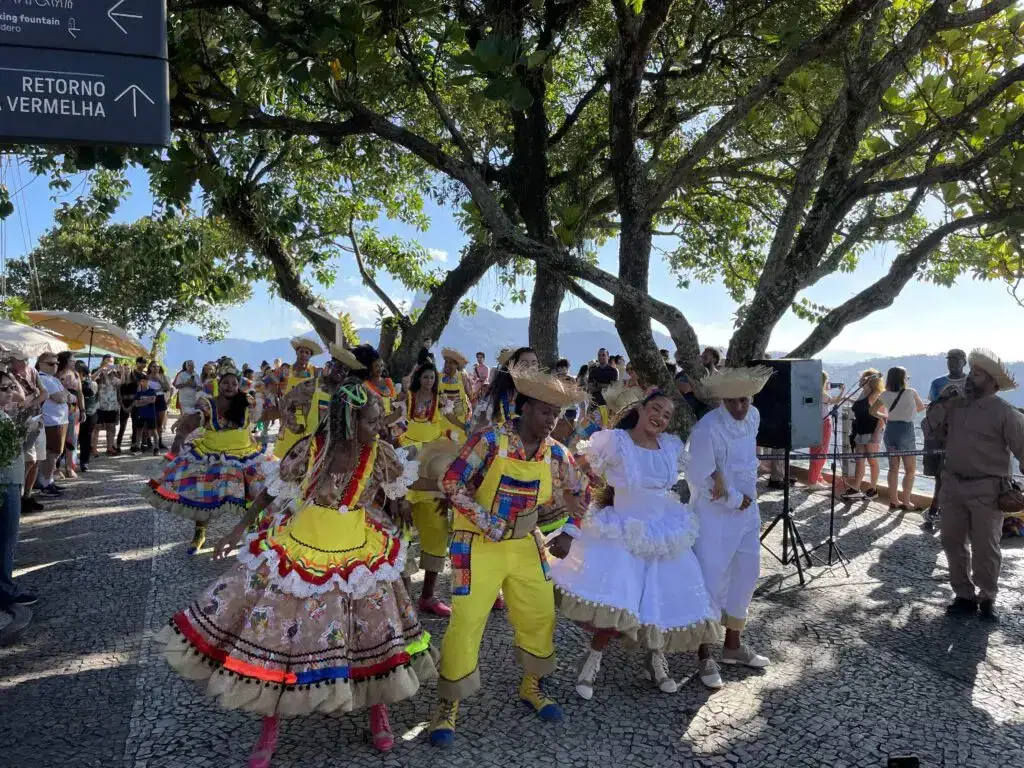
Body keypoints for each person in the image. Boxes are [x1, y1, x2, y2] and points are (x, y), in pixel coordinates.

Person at [155, 374, 435, 764]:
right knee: (282, 636)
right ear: (349, 421)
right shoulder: (312, 448)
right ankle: (270, 726)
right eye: (372, 421)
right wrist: (238, 527)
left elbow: (398, 494)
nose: (379, 427)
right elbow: (273, 490)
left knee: (371, 629)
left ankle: (377, 709)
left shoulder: (381, 454)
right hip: (301, 545)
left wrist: (415, 503)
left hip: (360, 548)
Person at [428, 365, 586, 747]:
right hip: (474, 544)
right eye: (545, 411)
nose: (552, 420)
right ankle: (447, 704)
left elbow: (581, 492)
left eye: (558, 414)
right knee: (466, 621)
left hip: (525, 544)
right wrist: (488, 522)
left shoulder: (558, 454)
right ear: (523, 408)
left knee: (540, 612)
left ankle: (532, 685)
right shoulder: (490, 440)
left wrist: (569, 532)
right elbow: (451, 481)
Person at [548, 389, 719, 700]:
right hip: (622, 529)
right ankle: (592, 661)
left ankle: (655, 659)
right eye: (656, 409)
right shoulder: (616, 441)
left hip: (666, 529)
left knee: (662, 595)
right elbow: (579, 470)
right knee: (618, 596)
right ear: (641, 408)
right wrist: (575, 502)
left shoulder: (670, 446)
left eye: (667, 415)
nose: (660, 418)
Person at [687, 365, 775, 690]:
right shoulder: (706, 429)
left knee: (747, 573)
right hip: (714, 516)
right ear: (722, 399)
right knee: (710, 577)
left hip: (748, 513)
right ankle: (704, 651)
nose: (740, 407)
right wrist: (733, 498)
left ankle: (733, 644)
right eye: (733, 401)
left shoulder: (753, 417)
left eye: (744, 400)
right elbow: (698, 474)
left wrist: (747, 497)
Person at [923, 349, 1024, 624]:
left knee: (986, 547)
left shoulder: (1006, 412)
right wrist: (941, 402)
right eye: (971, 372)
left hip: (989, 490)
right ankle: (963, 595)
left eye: (977, 374)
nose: (970, 378)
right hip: (953, 485)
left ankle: (988, 596)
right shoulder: (955, 406)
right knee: (951, 541)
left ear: (992, 382)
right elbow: (929, 428)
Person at [144, 360, 266, 556]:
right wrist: (179, 440)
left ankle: (253, 533)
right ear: (219, 383)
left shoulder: (246, 401)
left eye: (234, 383)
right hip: (213, 455)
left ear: (238, 385)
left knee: (253, 494)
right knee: (204, 495)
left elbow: (263, 415)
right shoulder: (208, 403)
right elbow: (192, 422)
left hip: (245, 455)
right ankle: (200, 532)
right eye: (226, 383)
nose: (230, 387)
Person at [398, 362, 466, 617]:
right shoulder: (406, 398)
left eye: (431, 377)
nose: (428, 381)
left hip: (433, 464)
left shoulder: (440, 401)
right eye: (425, 377)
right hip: (407, 461)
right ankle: (401, 601)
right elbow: (395, 423)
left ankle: (428, 596)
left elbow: (450, 423)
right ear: (418, 379)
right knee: (399, 532)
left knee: (437, 532)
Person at [0, 368, 36, 608]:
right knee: (6, 539)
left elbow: (19, 450)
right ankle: (5, 591)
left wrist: (30, 430)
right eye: (4, 389)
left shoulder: (4, 414)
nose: (10, 393)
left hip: (11, 480)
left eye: (11, 388)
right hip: (5, 482)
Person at [923, 349, 968, 528]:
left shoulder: (971, 382)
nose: (952, 363)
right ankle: (936, 509)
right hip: (940, 435)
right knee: (939, 474)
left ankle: (953, 511)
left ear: (964, 362)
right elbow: (931, 408)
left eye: (956, 360)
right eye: (950, 360)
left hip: (965, 435)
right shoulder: (937, 383)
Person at [880, 367, 926, 511]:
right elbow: (921, 407)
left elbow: (872, 410)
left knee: (893, 467)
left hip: (890, 430)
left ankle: (894, 500)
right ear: (903, 378)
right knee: (910, 469)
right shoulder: (910, 392)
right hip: (906, 430)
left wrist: (885, 417)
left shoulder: (884, 394)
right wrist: (908, 413)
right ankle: (906, 502)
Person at [8, 352, 46, 514]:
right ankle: (16, 496)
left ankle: (26, 496)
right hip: (18, 423)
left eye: (26, 359)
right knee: (27, 460)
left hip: (35, 419)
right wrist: (33, 396)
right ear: (12, 360)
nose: (24, 363)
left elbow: (44, 393)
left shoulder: (33, 371)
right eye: (20, 360)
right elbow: (21, 402)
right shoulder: (9, 374)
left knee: (36, 459)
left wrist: (33, 399)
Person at [273, 335, 323, 459]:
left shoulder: (316, 372)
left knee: (306, 452)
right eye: (301, 351)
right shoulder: (285, 371)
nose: (304, 355)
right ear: (296, 352)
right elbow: (271, 387)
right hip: (289, 418)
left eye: (307, 352)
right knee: (284, 452)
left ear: (310, 356)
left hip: (309, 417)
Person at [841, 369, 887, 501]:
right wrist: (848, 399)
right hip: (860, 431)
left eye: (864, 378)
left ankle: (873, 489)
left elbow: (882, 417)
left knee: (872, 461)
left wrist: (876, 435)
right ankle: (856, 488)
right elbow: (860, 406)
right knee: (859, 461)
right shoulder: (863, 393)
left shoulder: (876, 394)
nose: (861, 380)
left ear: (871, 381)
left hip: (871, 432)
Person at [471, 346, 540, 432]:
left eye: (534, 363)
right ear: (513, 367)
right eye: (524, 364)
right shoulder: (499, 392)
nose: (530, 368)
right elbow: (480, 426)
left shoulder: (541, 395)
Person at [35, 352, 69, 497]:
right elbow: (61, 398)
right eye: (51, 363)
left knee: (55, 453)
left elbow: (67, 395)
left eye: (56, 363)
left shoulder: (53, 379)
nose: (55, 366)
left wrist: (65, 395)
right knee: (52, 453)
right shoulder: (45, 379)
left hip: (60, 420)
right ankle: (45, 483)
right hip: (52, 421)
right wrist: (65, 395)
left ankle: (47, 481)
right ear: (41, 364)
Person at [807, 372, 844, 487]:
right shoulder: (823, 395)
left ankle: (817, 477)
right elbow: (835, 401)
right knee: (821, 452)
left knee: (814, 451)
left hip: (812, 424)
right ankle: (813, 482)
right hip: (823, 424)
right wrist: (842, 391)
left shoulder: (809, 393)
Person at [56, 351, 83, 479]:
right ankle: (55, 468)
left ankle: (68, 467)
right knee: (58, 438)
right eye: (72, 360)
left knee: (71, 438)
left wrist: (83, 410)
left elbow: (80, 393)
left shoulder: (76, 374)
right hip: (59, 408)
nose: (74, 362)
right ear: (65, 361)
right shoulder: (56, 374)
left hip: (73, 409)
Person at [438, 348, 473, 443]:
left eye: (451, 363)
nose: (447, 365)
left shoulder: (462, 377)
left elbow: (472, 397)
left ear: (457, 365)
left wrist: (473, 420)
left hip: (461, 418)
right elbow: (442, 406)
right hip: (444, 421)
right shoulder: (439, 378)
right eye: (446, 362)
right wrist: (464, 426)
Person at [169, 361, 201, 458]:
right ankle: (178, 445)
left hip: (194, 400)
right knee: (185, 418)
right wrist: (186, 384)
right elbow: (177, 385)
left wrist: (195, 385)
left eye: (193, 365)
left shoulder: (196, 375)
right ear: (186, 366)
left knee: (193, 422)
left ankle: (189, 444)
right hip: (184, 401)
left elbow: (200, 386)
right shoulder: (181, 374)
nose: (191, 367)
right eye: (189, 365)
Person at [94, 355, 121, 456]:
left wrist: (122, 373)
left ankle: (109, 448)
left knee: (111, 427)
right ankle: (94, 448)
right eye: (108, 361)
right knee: (96, 427)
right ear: (103, 361)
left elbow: (121, 383)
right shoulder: (97, 370)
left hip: (112, 405)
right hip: (99, 404)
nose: (110, 363)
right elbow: (91, 379)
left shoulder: (115, 373)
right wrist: (101, 370)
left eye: (112, 361)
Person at [76, 361, 99, 472]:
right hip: (76, 414)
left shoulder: (91, 384)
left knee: (85, 439)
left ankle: (84, 462)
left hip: (88, 415)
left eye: (78, 372)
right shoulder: (72, 383)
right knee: (75, 439)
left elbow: (92, 392)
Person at [133, 373, 160, 456]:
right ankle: (137, 447)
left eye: (146, 381)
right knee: (139, 430)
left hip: (150, 414)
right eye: (143, 381)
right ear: (140, 382)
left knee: (154, 431)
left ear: (148, 382)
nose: (145, 382)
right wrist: (147, 400)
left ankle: (156, 448)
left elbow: (153, 400)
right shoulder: (138, 393)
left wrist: (142, 401)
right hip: (141, 414)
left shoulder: (152, 391)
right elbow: (136, 404)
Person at [147, 362, 173, 450]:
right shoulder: (147, 377)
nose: (156, 368)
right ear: (150, 368)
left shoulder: (162, 376)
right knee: (150, 421)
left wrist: (160, 380)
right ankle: (149, 441)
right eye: (154, 367)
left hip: (160, 399)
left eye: (158, 367)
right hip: (150, 399)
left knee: (159, 422)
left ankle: (159, 442)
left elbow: (167, 388)